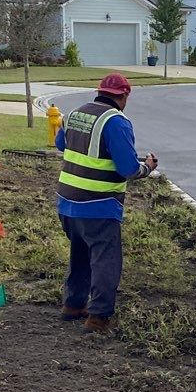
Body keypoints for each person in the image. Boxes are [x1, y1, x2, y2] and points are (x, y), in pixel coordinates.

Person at [54, 72, 158, 331]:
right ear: (124, 96)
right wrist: (147, 167)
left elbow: (60, 144)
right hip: (98, 205)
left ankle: (73, 304)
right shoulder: (116, 122)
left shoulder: (75, 114)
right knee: (105, 259)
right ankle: (98, 317)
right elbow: (127, 169)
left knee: (79, 253)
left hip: (67, 203)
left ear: (99, 91)